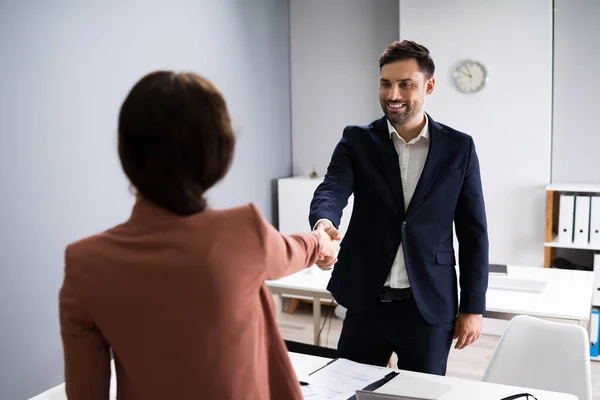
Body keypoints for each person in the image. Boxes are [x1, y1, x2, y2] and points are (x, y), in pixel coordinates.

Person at [59, 71, 339, 400]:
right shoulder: (241, 232)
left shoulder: (84, 263)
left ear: (125, 151)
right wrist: (322, 240)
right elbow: (290, 251)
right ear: (219, 155)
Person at [309, 40, 489, 375]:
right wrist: (323, 223)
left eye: (406, 84)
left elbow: (474, 232)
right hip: (366, 300)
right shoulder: (357, 140)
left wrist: (473, 307)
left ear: (428, 86)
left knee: (421, 396)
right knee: (349, 390)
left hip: (428, 306)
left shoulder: (459, 148)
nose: (393, 94)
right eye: (386, 83)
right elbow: (332, 189)